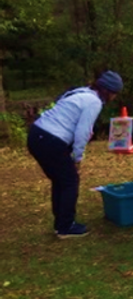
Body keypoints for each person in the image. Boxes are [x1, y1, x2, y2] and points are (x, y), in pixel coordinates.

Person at [27, 71, 124, 239]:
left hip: (37, 134)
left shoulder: (81, 92)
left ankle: (61, 224)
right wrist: (77, 158)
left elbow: (68, 119)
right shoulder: (94, 102)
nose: (114, 98)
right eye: (115, 94)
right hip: (51, 139)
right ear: (108, 91)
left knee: (61, 180)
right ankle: (66, 226)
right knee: (70, 181)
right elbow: (82, 132)